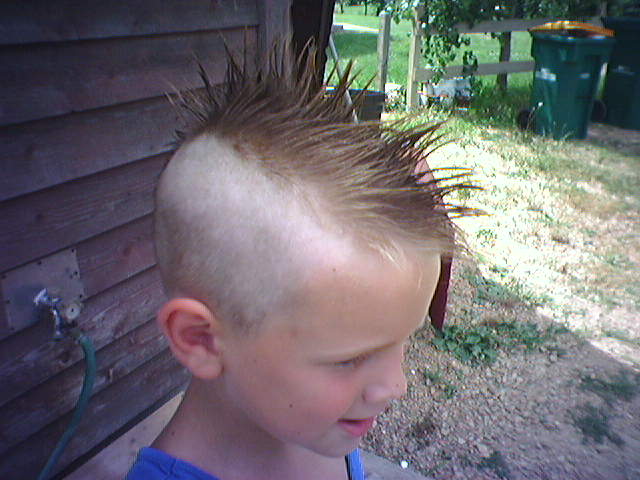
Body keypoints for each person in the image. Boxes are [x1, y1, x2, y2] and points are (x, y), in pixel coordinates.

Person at [126, 43, 476, 480]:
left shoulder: (311, 427)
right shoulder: (308, 420)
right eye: (350, 360)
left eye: (403, 340)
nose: (396, 385)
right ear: (201, 339)